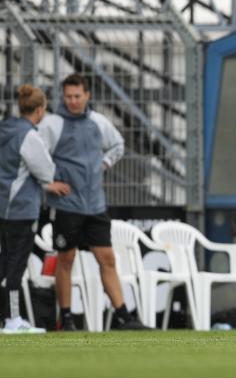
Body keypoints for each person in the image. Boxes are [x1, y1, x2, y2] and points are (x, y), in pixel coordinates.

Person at [37, 74, 147, 331]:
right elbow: (35, 155)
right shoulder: (52, 125)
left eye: (77, 96)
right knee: (66, 259)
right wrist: (48, 183)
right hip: (66, 205)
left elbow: (118, 145)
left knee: (107, 258)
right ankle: (65, 318)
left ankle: (123, 317)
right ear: (63, 98)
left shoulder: (98, 122)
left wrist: (104, 164)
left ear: (87, 96)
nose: (73, 101)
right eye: (68, 97)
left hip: (95, 204)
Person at [0, 85, 70, 334]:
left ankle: (9, 318)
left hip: (3, 208)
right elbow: (45, 169)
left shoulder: (5, 129)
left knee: (4, 264)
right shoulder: (29, 136)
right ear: (40, 111)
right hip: (20, 210)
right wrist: (48, 183)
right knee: (15, 268)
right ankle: (12, 320)